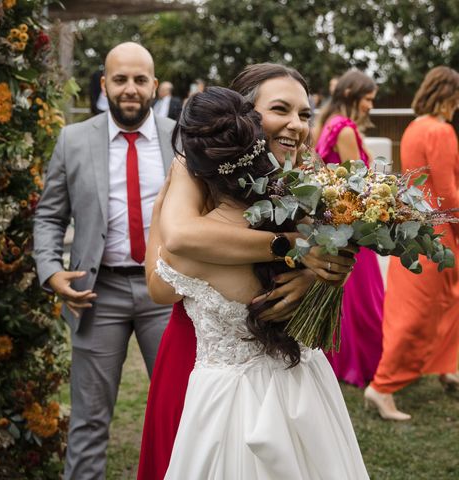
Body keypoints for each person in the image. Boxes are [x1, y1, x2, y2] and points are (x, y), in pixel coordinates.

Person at [137, 63, 356, 480]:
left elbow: (339, 248)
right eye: (280, 109)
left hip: (283, 359)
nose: (296, 124)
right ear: (245, 119)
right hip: (200, 344)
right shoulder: (198, 167)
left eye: (306, 114)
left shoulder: (305, 180)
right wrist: (294, 248)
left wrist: (322, 270)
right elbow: (180, 238)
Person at [33, 42, 175, 479]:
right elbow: (49, 215)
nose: (129, 89)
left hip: (168, 291)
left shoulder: (181, 136)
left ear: (153, 83)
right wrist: (50, 270)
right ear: (104, 84)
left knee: (182, 414)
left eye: (139, 80)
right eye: (120, 79)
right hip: (97, 293)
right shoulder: (73, 140)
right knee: (89, 421)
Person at [365, 66, 459, 420]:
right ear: (449, 95)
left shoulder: (414, 128)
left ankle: (447, 366)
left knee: (446, 302)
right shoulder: (442, 130)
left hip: (414, 226)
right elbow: (449, 192)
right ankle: (383, 387)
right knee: (421, 310)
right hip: (439, 229)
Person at [314, 69, 384, 389]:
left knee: (350, 301)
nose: (370, 105)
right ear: (351, 96)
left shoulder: (329, 124)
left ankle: (343, 362)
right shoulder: (345, 129)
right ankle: (364, 364)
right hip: (353, 226)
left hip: (337, 225)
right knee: (365, 304)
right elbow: (359, 185)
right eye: (367, 99)